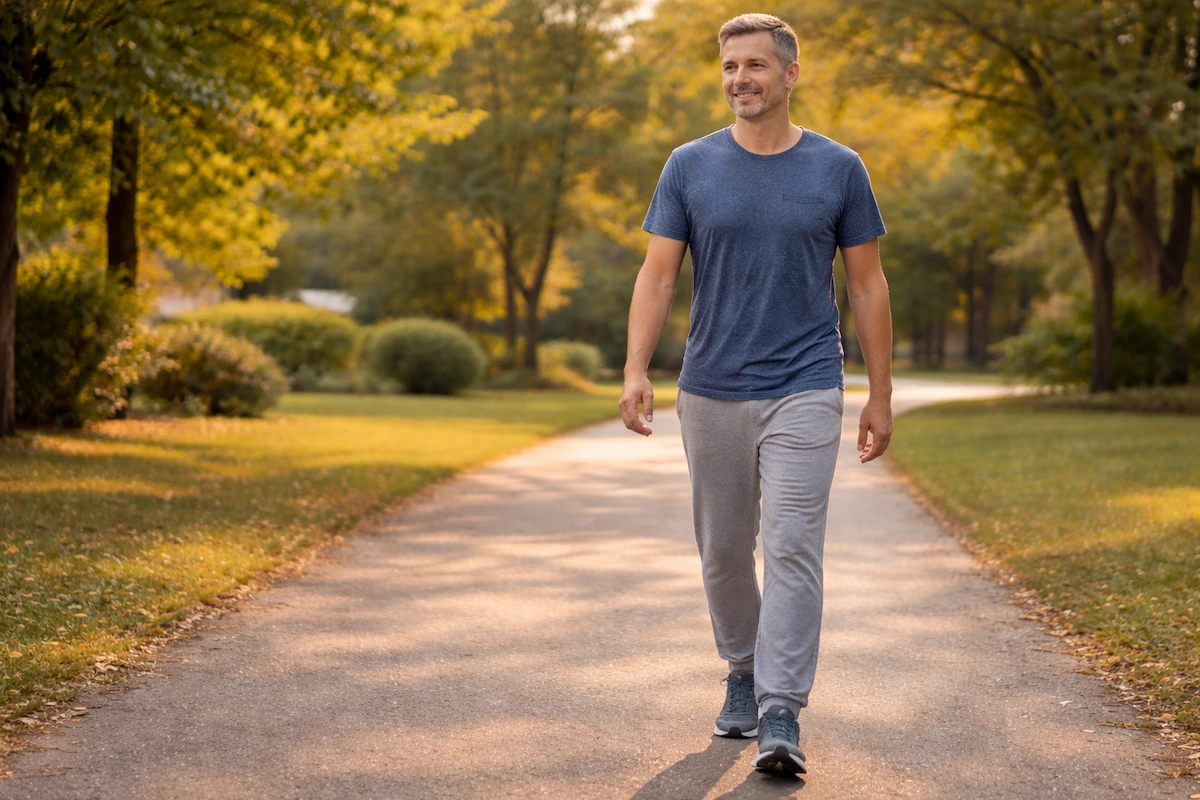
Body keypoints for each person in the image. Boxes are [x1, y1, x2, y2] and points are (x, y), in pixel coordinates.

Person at [618, 12, 894, 775]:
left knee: (795, 546)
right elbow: (658, 274)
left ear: (790, 74)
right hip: (710, 387)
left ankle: (780, 711)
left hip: (806, 382)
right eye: (730, 67)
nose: (740, 79)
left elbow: (867, 287)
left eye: (755, 66)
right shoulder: (689, 165)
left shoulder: (839, 168)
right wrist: (637, 368)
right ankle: (741, 671)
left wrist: (879, 393)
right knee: (723, 553)